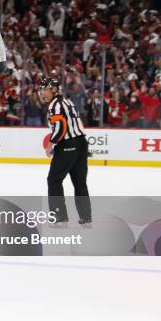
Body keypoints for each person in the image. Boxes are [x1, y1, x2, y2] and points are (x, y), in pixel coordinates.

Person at [38, 78, 91, 226]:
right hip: (81, 143)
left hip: (68, 144)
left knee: (53, 180)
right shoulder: (67, 101)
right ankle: (86, 217)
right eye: (42, 89)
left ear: (54, 90)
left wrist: (50, 145)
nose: (43, 92)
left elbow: (61, 128)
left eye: (45, 89)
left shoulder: (55, 105)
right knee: (80, 183)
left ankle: (59, 216)